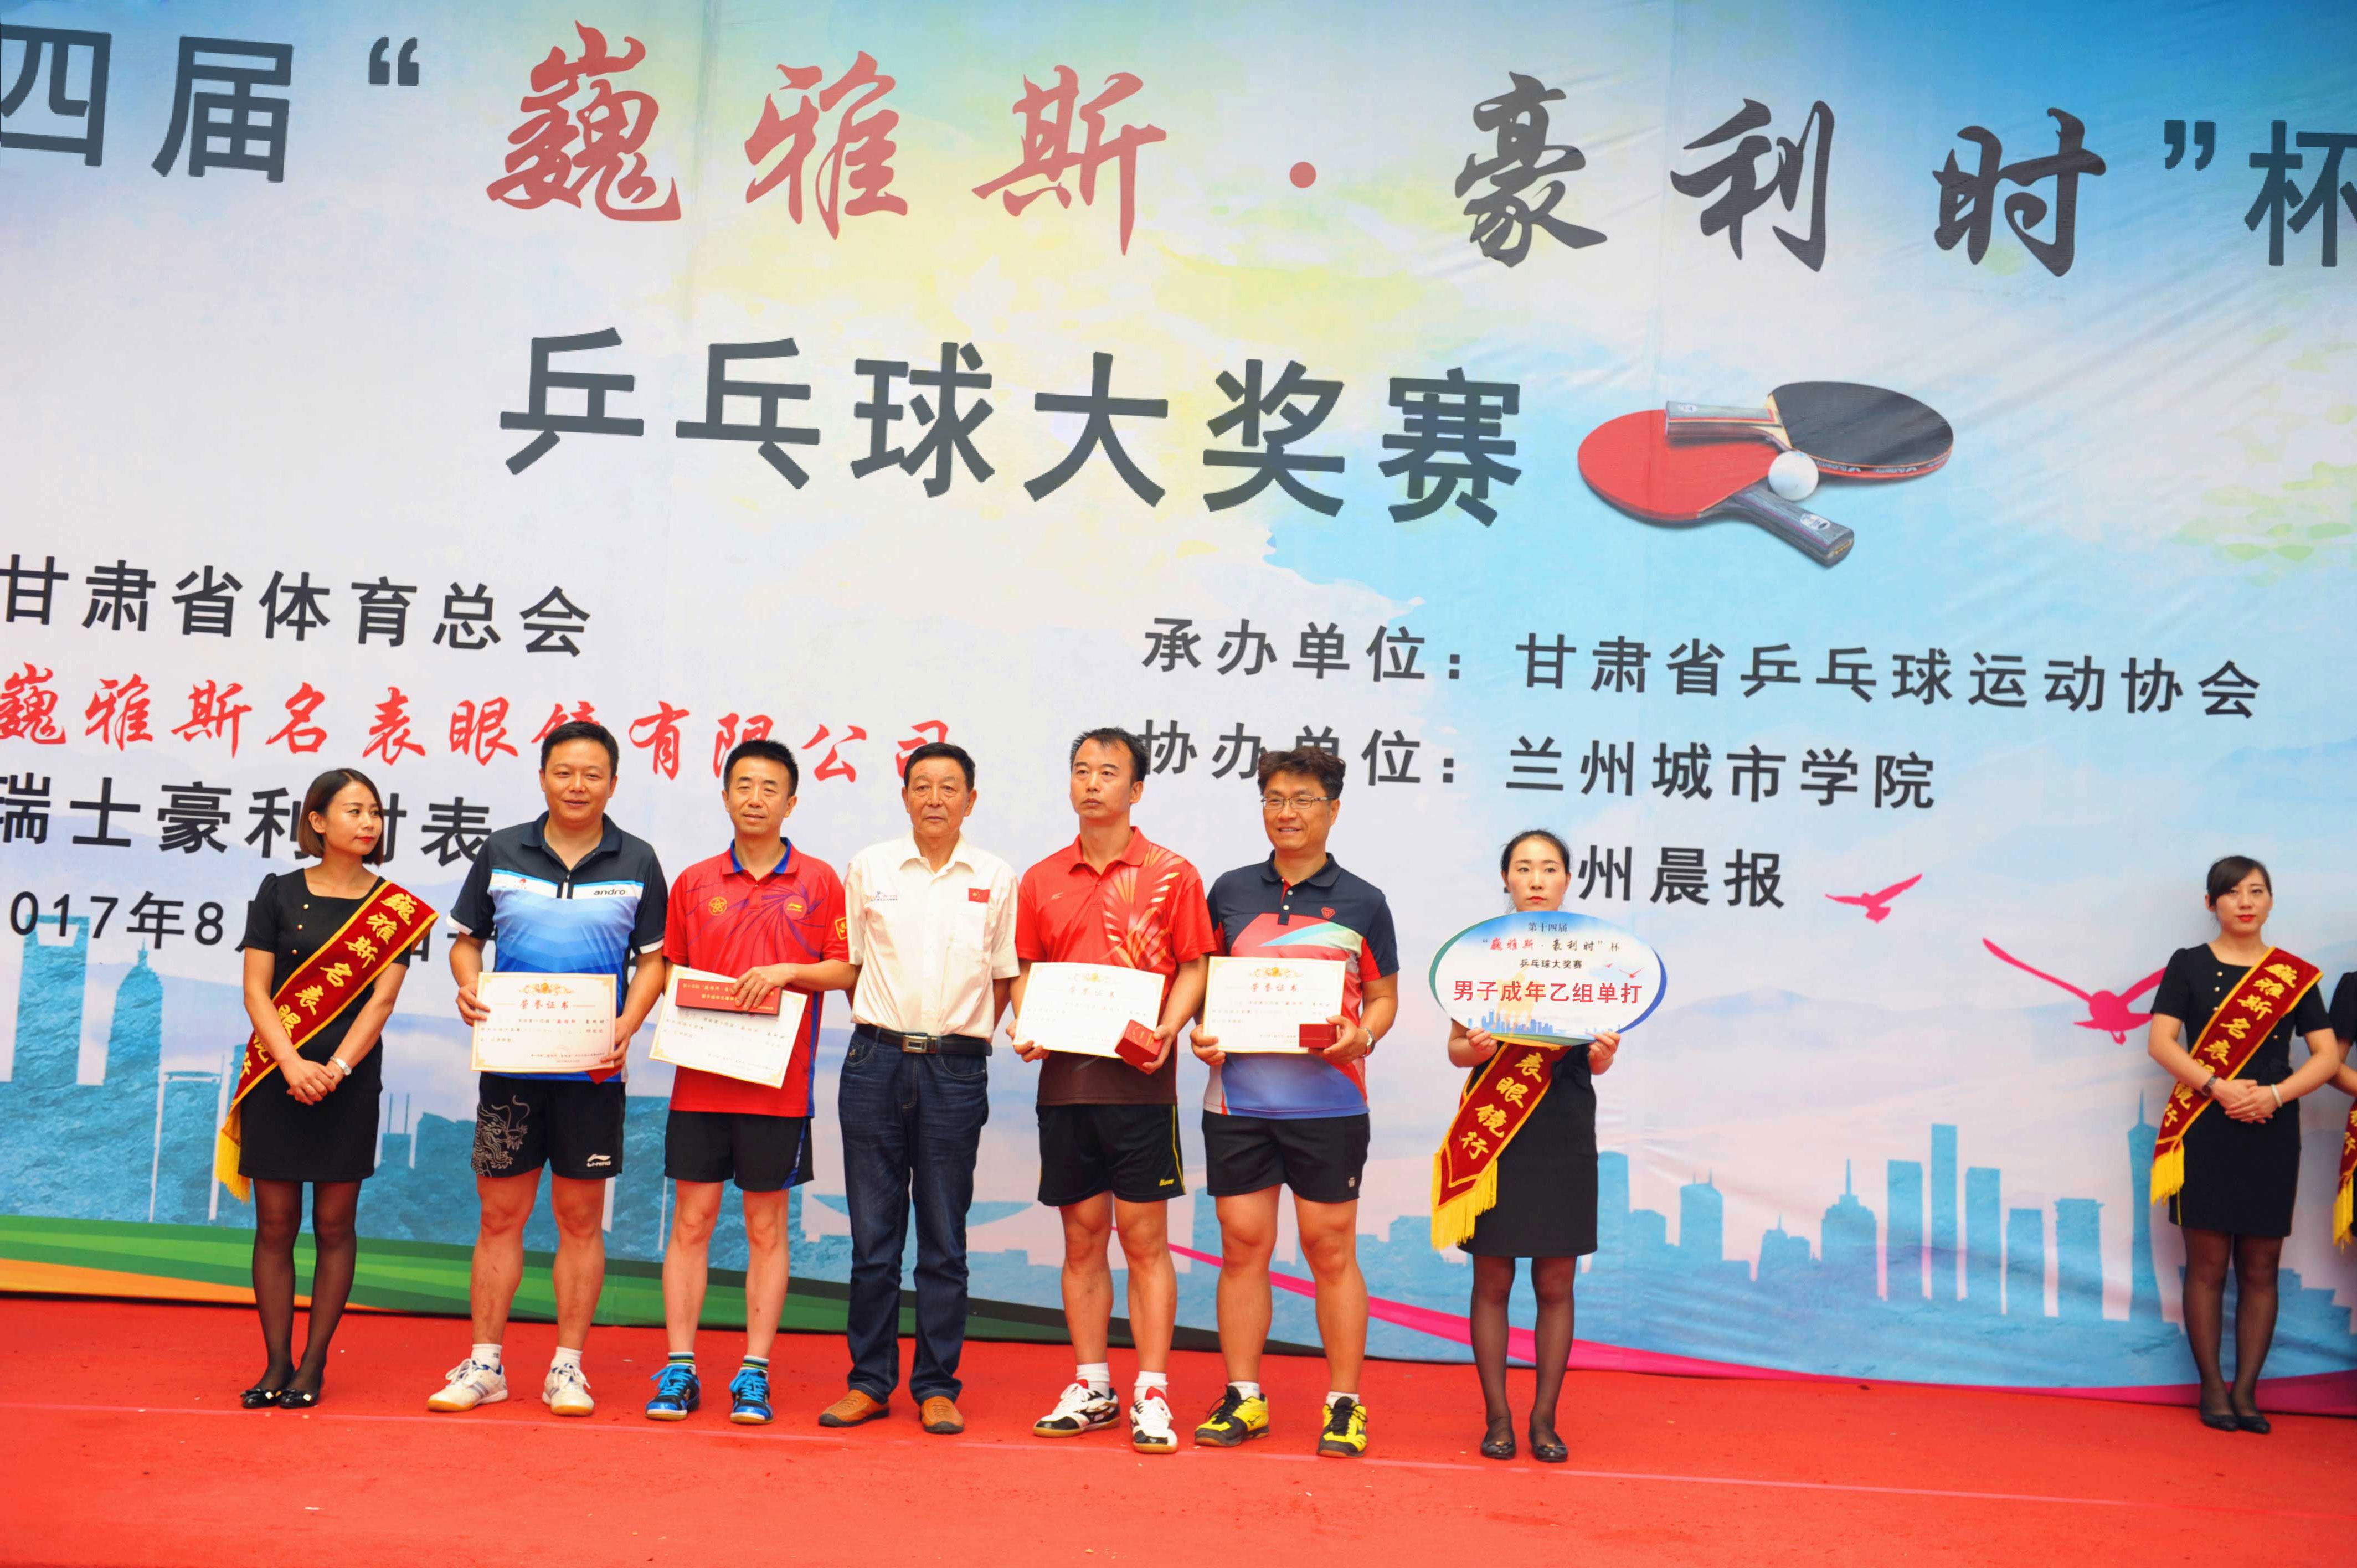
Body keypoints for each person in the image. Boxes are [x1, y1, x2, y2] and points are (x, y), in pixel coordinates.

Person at [428, 720, 669, 1417]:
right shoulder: (503, 849)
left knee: (579, 1219)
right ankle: (485, 1365)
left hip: (593, 1071)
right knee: (499, 1215)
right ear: (542, 778)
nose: (577, 785)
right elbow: (467, 942)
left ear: (613, 784)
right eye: (564, 772)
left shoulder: (639, 859)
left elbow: (654, 959)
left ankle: (567, 1368)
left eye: (592, 774)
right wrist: (468, 984)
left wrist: (627, 1024)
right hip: (512, 1065)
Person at [1188, 746, 1399, 1459]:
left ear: (1333, 810)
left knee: (1328, 1248)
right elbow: (1204, 982)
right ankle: (1244, 1397)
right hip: (1238, 1101)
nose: (1287, 812)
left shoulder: (1364, 900)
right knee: (1242, 1245)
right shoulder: (1229, 891)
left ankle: (1343, 1405)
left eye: (1304, 799)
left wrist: (1363, 1035)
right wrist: (1201, 1031)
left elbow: (1383, 997)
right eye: (1274, 798)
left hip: (1329, 1103)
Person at [1012, 727, 1213, 1455]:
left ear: (1137, 789)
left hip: (1140, 1083)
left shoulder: (1172, 874)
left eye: (1107, 771)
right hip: (1065, 1085)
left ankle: (1151, 1390)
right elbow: (1024, 969)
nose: (1092, 782)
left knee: (1145, 1240)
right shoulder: (1040, 878)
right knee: (1081, 1238)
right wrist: (1027, 1020)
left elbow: (1195, 965)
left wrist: (1168, 1026)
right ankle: (1092, 1384)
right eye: (1081, 770)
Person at [645, 737, 852, 1425]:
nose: (755, 798)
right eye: (743, 785)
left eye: (769, 788)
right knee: (691, 1222)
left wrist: (789, 973)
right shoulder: (694, 882)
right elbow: (670, 971)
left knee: (766, 1229)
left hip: (778, 1087)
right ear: (725, 795)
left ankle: (754, 1372)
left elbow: (846, 969)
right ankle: (679, 1367)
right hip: (701, 1083)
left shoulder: (819, 881)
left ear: (791, 802)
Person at [821, 741, 1019, 1436]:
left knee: (943, 1239)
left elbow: (1003, 976)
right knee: (873, 1241)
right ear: (904, 796)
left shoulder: (995, 876)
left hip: (954, 1070)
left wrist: (971, 1036)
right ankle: (869, 1383)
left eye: (949, 786)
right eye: (922, 786)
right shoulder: (869, 867)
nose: (935, 798)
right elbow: (849, 966)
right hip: (873, 1062)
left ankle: (936, 1385)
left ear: (971, 799)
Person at [224, 768, 434, 1409]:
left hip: (349, 1079)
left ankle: (313, 1365)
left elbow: (380, 1004)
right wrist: (291, 1064)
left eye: (375, 812)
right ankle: (276, 1363)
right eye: (353, 811)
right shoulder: (278, 893)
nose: (369, 822)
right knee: (275, 1224)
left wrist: (335, 1069)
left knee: (335, 1224)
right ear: (317, 822)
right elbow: (256, 990)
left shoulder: (395, 909)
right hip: (278, 1075)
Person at [1443, 831, 1620, 1464]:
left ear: (1567, 880)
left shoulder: (1593, 958)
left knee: (1555, 1280)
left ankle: (1544, 1420)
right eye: (1523, 868)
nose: (1536, 879)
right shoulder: (1479, 954)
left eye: (1548, 868)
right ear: (1506, 879)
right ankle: (1497, 1418)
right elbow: (1455, 1049)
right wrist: (1476, 1048)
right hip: (1496, 1123)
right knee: (1491, 1277)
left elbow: (1595, 1059)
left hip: (1562, 1124)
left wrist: (1602, 1055)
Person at [2145, 855, 2339, 1434]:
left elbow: (2326, 1057)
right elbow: (2161, 1042)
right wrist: (2216, 1086)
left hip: (2270, 1127)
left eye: (2256, 891)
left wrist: (2274, 1095)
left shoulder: (2292, 975)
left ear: (2270, 900)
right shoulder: (2187, 964)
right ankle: (2212, 1389)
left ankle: (2247, 1393)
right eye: (2231, 893)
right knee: (2206, 1265)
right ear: (2211, 904)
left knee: (2261, 1264)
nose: (2245, 902)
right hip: (2205, 1122)